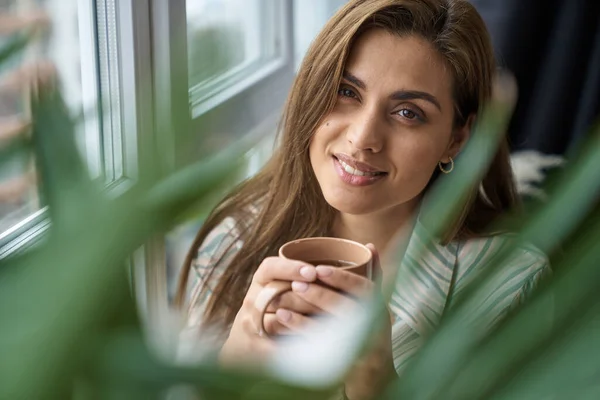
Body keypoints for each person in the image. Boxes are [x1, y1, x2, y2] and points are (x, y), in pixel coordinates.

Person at [176, 0, 550, 398]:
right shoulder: (232, 241)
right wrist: (228, 374)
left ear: (455, 139)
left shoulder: (510, 284)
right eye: (346, 91)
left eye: (408, 112)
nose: (362, 138)